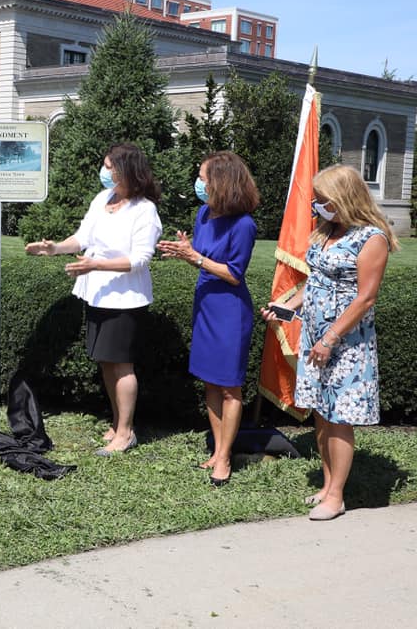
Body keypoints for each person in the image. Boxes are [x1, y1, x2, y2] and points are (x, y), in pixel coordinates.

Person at [261, 164, 398, 520]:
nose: (317, 206)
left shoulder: (371, 238)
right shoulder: (326, 231)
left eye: (323, 200)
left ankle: (336, 496)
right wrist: (286, 307)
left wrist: (331, 337)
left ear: (343, 199)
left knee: (339, 418)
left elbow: (365, 298)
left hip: (345, 345)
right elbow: (316, 282)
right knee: (322, 413)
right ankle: (326, 485)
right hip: (314, 340)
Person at [26, 143, 162, 455]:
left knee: (121, 365)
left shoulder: (144, 210)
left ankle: (126, 432)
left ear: (125, 170)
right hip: (97, 294)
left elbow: (140, 259)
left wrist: (95, 264)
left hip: (125, 298)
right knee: (106, 362)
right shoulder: (103, 198)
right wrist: (55, 248)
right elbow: (83, 237)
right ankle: (116, 423)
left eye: (108, 166)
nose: (104, 172)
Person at [157, 152, 259, 486]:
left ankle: (225, 458)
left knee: (230, 386)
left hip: (230, 310)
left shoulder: (244, 224)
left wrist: (195, 256)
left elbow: (233, 274)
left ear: (222, 181)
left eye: (203, 177)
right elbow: (201, 259)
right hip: (205, 305)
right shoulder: (203, 213)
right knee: (210, 381)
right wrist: (184, 251)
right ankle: (216, 449)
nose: (199, 183)